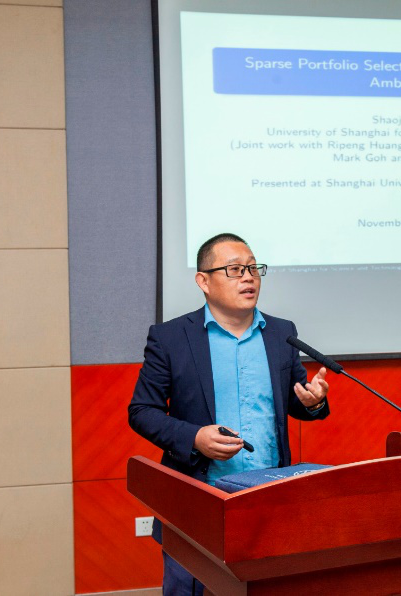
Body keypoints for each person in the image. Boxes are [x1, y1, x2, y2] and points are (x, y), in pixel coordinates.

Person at [128, 232, 330, 595]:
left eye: (253, 268)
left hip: (268, 495)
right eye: (235, 269)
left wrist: (312, 402)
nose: (248, 277)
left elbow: (294, 401)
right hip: (198, 498)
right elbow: (142, 411)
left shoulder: (281, 333)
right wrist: (194, 438)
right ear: (203, 281)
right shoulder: (171, 338)